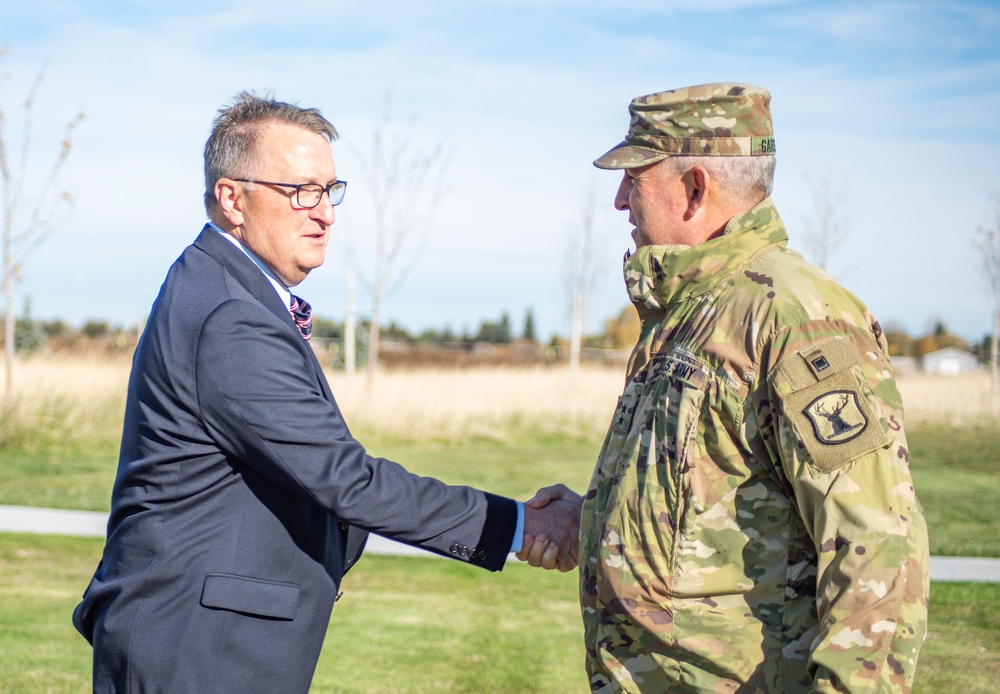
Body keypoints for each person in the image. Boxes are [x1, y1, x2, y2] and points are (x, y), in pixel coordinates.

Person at [72, 91, 580, 693]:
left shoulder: (224, 290)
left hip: (201, 635)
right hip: (197, 646)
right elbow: (345, 479)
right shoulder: (229, 315)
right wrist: (519, 526)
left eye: (331, 191)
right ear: (232, 199)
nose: (325, 213)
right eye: (301, 191)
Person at [528, 83, 929, 692]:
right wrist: (599, 524)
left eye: (634, 176)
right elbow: (710, 507)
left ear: (694, 188)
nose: (618, 200)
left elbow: (877, 548)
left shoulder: (792, 317)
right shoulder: (690, 312)